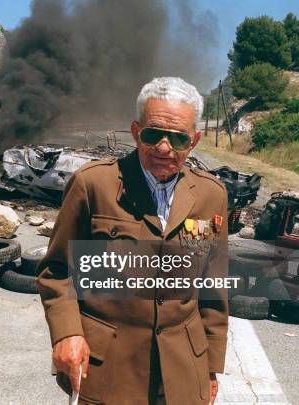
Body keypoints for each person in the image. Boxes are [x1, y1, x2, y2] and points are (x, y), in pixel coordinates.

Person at [37, 77, 228, 405]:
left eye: (178, 138)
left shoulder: (212, 195)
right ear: (137, 131)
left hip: (183, 371)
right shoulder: (93, 184)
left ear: (194, 141)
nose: (164, 148)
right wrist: (67, 332)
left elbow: (213, 290)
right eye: (153, 135)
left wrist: (210, 367)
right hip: (108, 367)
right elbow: (57, 271)